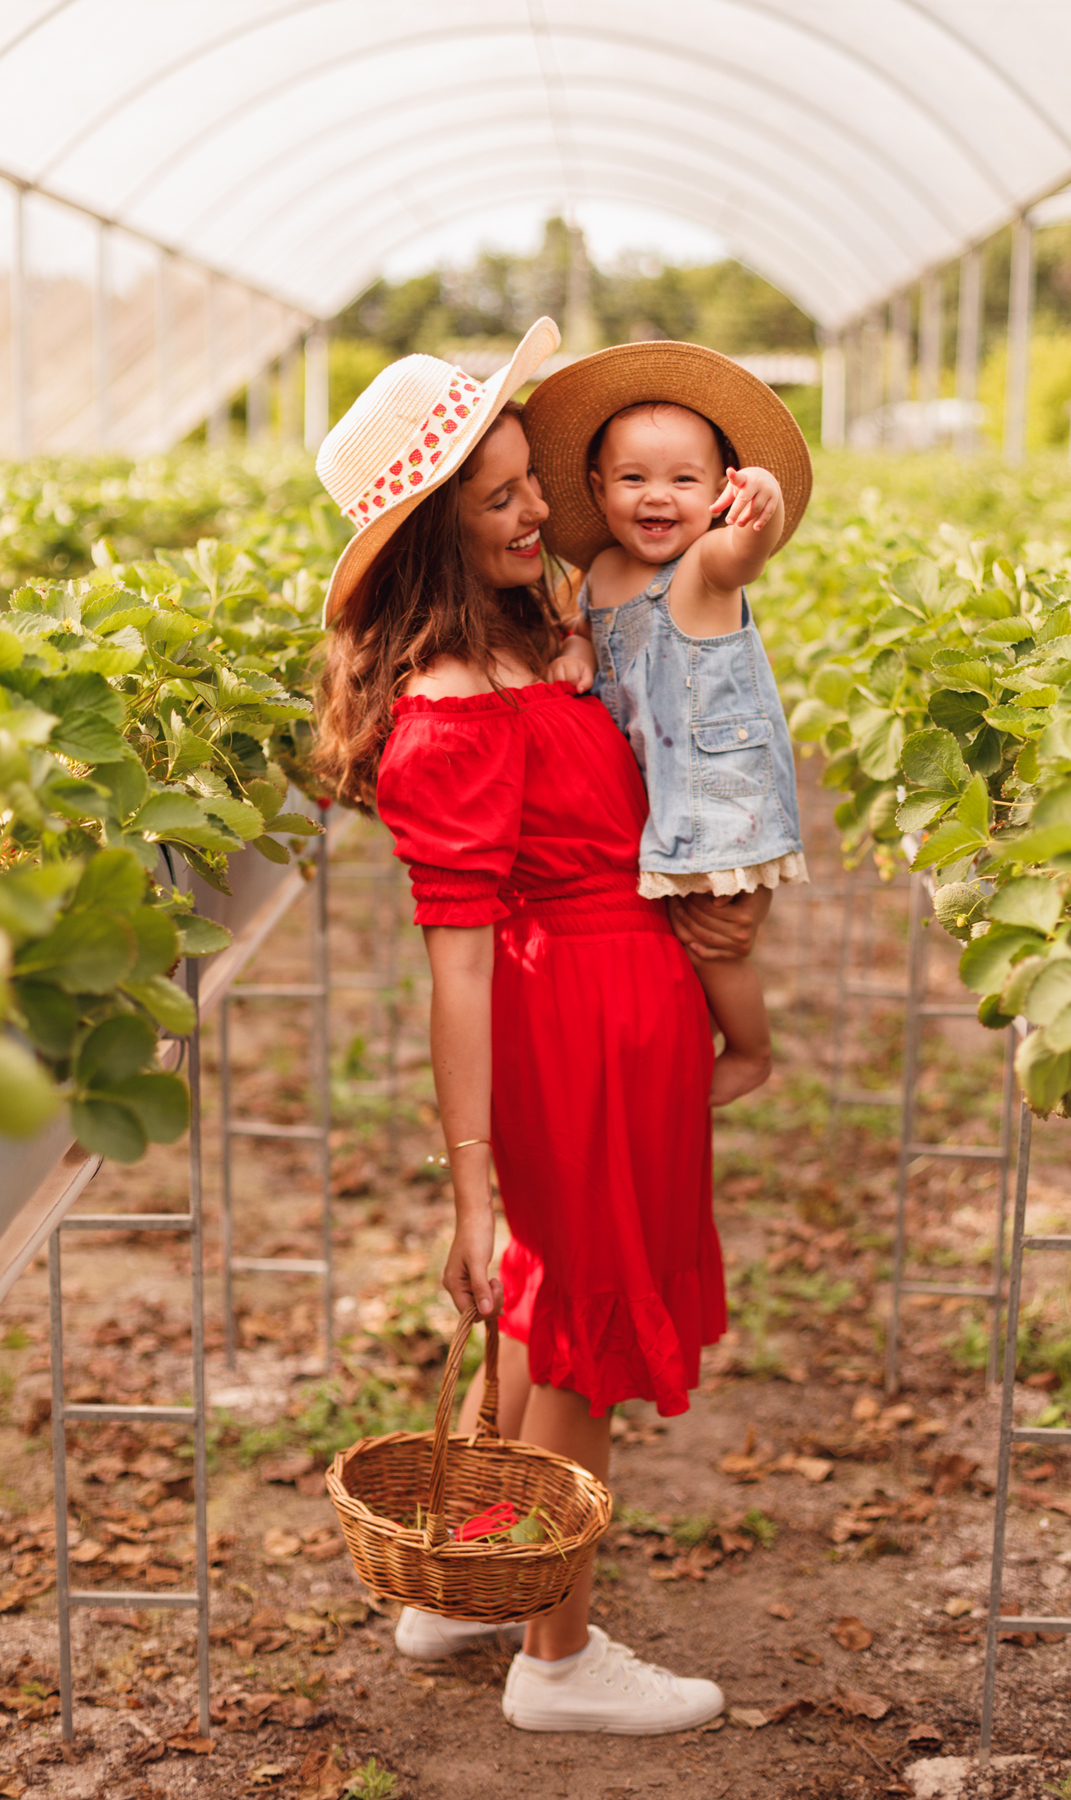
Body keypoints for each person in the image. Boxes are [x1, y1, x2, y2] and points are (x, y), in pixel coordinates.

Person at [313, 321, 766, 1734]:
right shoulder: (450, 715)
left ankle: (464, 1589)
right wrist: (469, 1184)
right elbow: (455, 971)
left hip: (617, 1004)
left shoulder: (533, 646)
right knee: (569, 1331)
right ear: (437, 538)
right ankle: (557, 1661)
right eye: (501, 497)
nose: (537, 511)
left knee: (545, 1312)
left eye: (528, 481)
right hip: (567, 1023)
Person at [523, 344, 812, 1104]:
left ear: (719, 490)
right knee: (673, 944)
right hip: (654, 793)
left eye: (684, 480)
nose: (659, 498)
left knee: (714, 943)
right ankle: (680, 1042)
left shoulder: (706, 567)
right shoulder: (597, 572)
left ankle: (750, 1051)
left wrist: (766, 501)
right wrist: (578, 642)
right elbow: (573, 622)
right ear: (597, 488)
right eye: (633, 479)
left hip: (718, 793)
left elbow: (748, 552)